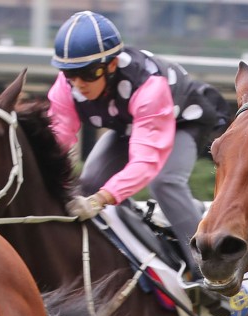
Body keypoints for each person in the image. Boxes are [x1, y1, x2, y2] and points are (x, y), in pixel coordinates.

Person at [48, 11, 228, 248]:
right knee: (90, 182)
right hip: (133, 124)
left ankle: (205, 264)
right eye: (71, 74)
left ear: (112, 64)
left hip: (184, 120)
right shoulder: (65, 87)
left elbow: (145, 162)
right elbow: (56, 142)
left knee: (164, 182)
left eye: (89, 73)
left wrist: (101, 199)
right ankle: (131, 248)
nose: (79, 84)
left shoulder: (148, 86)